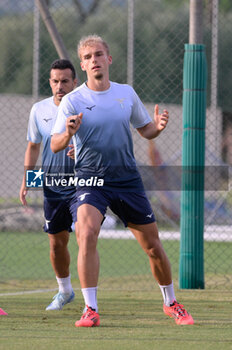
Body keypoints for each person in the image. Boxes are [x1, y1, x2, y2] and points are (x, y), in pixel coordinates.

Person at [51, 35, 194, 327]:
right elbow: (55, 144)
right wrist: (68, 133)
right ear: (83, 64)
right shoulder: (73, 100)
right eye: (89, 57)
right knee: (86, 233)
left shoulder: (126, 93)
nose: (94, 60)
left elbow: (146, 131)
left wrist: (159, 128)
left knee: (153, 246)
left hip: (127, 179)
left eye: (99, 54)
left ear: (109, 59)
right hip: (91, 179)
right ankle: (90, 309)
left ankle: (171, 303)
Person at [20, 59, 78, 311]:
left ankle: (91, 302)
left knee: (87, 237)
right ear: (50, 83)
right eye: (55, 81)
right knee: (57, 243)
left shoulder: (87, 106)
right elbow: (33, 146)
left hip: (85, 183)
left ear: (75, 82)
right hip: (53, 186)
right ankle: (65, 291)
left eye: (65, 81)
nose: (60, 86)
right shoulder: (39, 110)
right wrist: (27, 179)